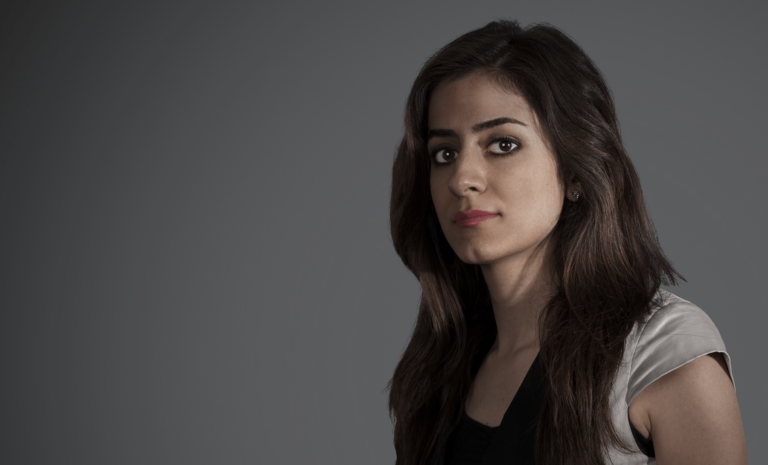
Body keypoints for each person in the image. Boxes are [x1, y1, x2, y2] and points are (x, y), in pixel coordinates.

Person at [387, 20, 747, 465]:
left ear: (576, 172)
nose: (461, 179)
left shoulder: (660, 350)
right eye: (444, 153)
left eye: (502, 144)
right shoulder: (441, 363)